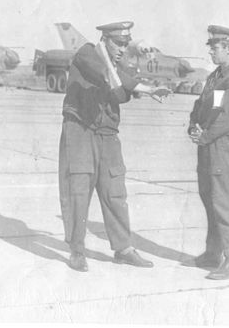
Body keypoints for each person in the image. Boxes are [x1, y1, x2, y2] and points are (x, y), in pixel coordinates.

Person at [58, 21, 170, 272]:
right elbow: (106, 75)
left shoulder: (118, 66)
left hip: (107, 134)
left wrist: (151, 90)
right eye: (118, 43)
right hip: (80, 131)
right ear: (104, 40)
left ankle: (124, 249)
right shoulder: (87, 52)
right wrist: (112, 63)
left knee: (115, 191)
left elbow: (121, 91)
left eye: (125, 44)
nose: (122, 49)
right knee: (78, 191)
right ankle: (77, 250)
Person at [184, 25, 229, 280]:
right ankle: (212, 253)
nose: (211, 52)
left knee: (223, 201)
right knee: (209, 198)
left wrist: (204, 135)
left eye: (214, 48)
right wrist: (194, 125)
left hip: (224, 147)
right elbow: (202, 104)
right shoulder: (218, 75)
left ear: (228, 48)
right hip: (209, 144)